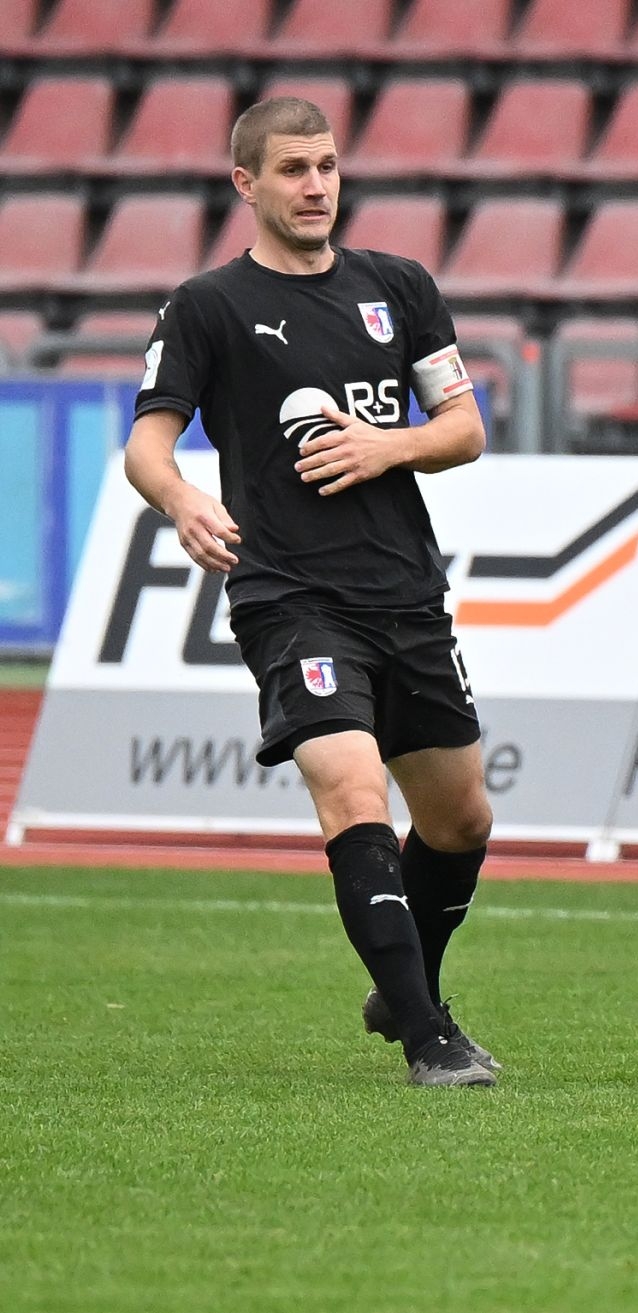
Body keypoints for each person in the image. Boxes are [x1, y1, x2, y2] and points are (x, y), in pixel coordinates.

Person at [124, 98, 499, 1087]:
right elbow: (147, 445)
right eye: (294, 169)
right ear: (245, 182)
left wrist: (388, 445)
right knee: (351, 788)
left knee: (461, 821)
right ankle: (427, 1035)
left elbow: (464, 428)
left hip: (405, 591)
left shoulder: (399, 287)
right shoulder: (207, 305)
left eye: (327, 165)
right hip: (290, 596)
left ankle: (405, 983)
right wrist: (181, 499)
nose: (317, 185)